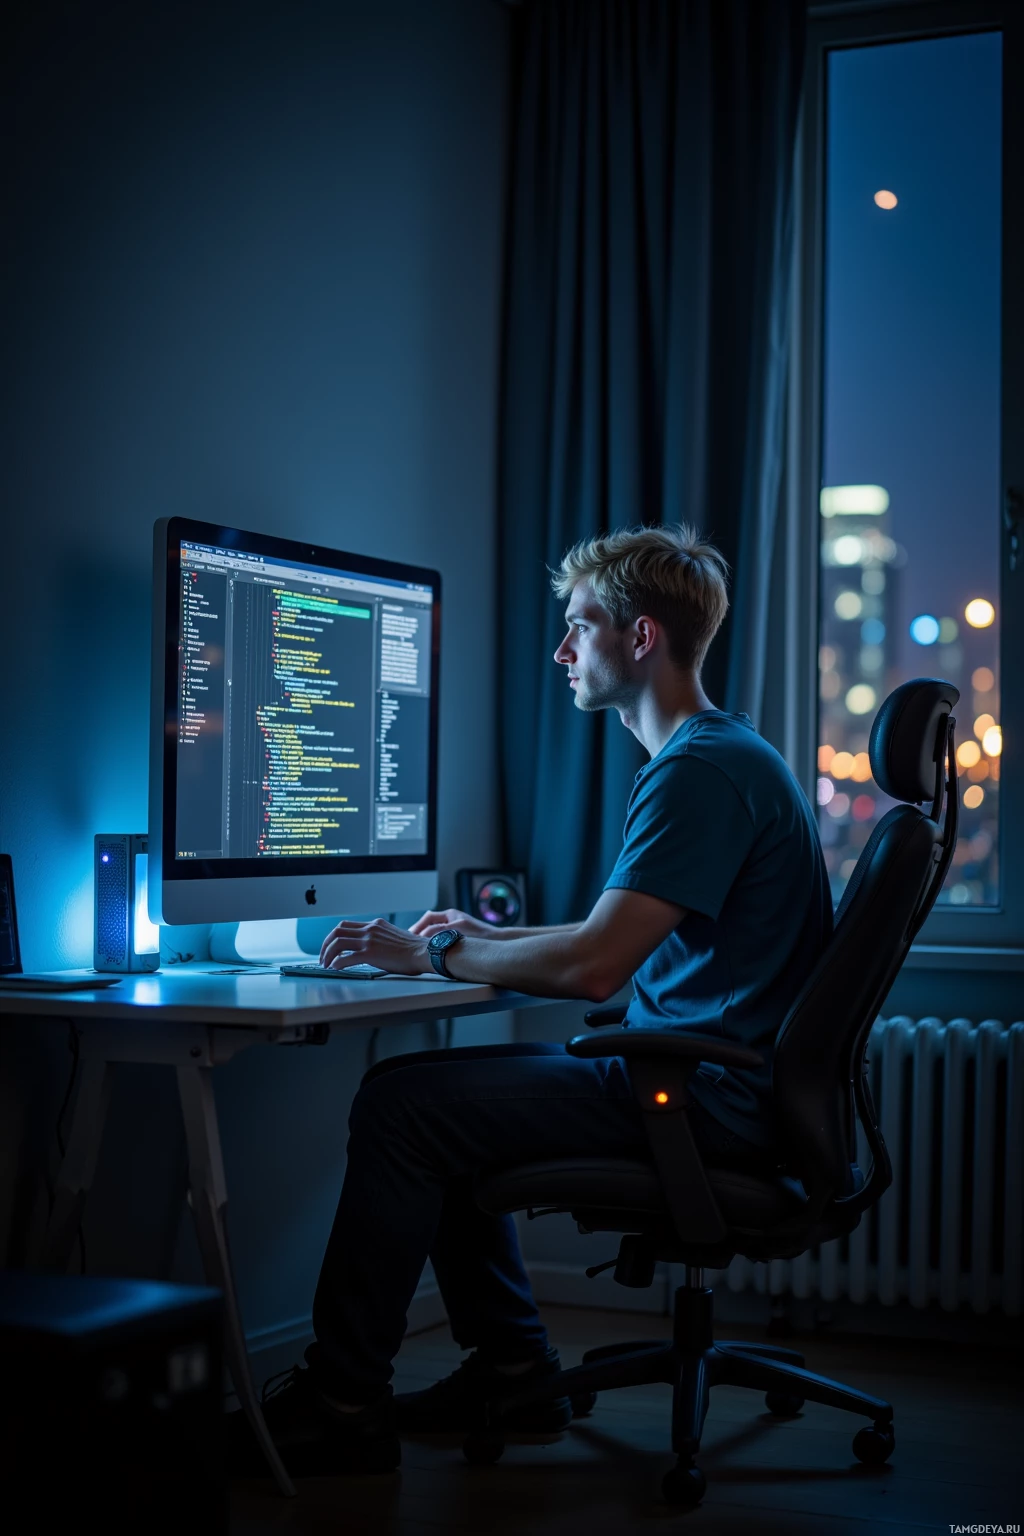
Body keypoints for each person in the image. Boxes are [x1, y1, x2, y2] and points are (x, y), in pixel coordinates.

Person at [227, 524, 834, 1477]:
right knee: (450, 1105)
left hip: (701, 1100)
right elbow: (612, 935)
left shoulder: (699, 772)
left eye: (577, 627)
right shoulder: (721, 755)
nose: (560, 651)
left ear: (639, 640)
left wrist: (432, 962)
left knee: (404, 1108)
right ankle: (510, 1366)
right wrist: (464, 937)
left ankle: (344, 1398)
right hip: (709, 1080)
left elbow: (597, 969)